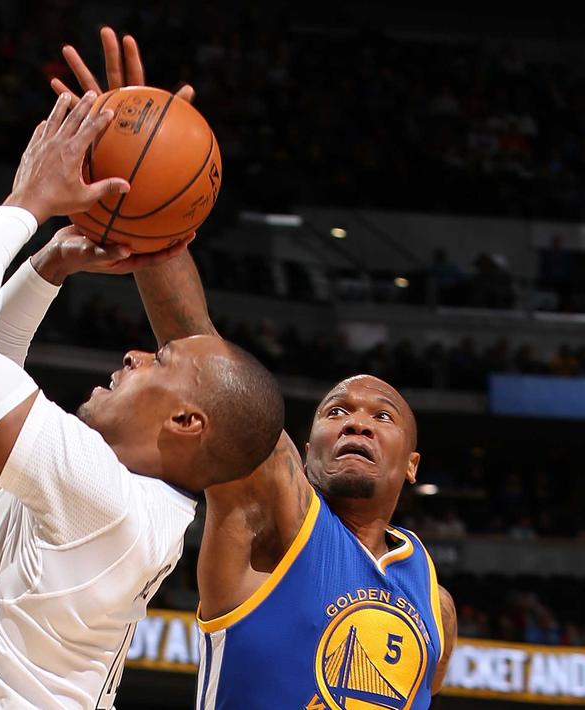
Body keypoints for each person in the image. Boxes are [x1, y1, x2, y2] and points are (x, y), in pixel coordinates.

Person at [53, 28, 458, 708]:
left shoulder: (434, 603)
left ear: (411, 464)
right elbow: (198, 352)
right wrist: (136, 176)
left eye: (380, 415)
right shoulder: (272, 510)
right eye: (336, 412)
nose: (355, 420)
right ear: (305, 450)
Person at [0, 91, 285, 708]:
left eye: (160, 359)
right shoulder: (108, 495)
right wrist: (47, 266)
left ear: (187, 421)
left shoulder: (105, 502)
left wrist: (27, 203)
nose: (134, 353)